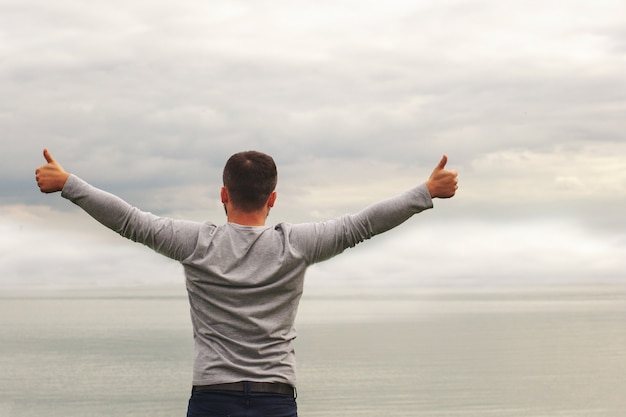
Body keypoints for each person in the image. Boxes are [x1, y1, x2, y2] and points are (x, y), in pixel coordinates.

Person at [35, 148, 458, 417]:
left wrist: (68, 183)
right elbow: (361, 225)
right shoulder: (295, 245)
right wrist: (426, 191)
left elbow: (129, 221)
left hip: (211, 398)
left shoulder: (197, 243)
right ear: (272, 198)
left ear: (224, 193)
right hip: (275, 399)